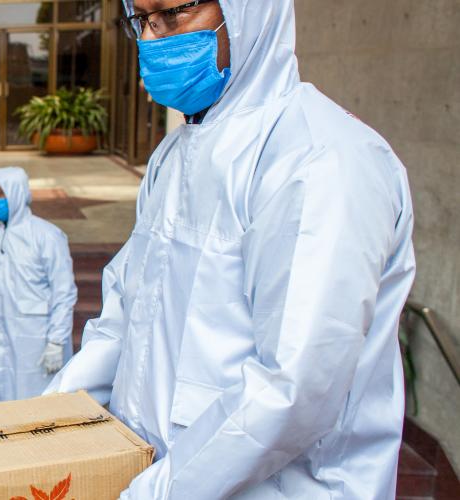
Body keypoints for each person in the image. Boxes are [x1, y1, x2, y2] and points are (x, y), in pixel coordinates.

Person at [45, 0, 416, 498]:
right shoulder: (176, 156)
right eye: (143, 21)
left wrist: (154, 491)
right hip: (159, 472)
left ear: (248, 12)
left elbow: (293, 387)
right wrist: (46, 425)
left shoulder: (320, 159)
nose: (154, 41)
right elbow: (124, 322)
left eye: (172, 15)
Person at [0, 167, 77, 402]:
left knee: (40, 408)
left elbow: (63, 292)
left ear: (16, 192)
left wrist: (56, 341)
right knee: (5, 406)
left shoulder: (46, 236)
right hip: (1, 337)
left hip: (37, 341)